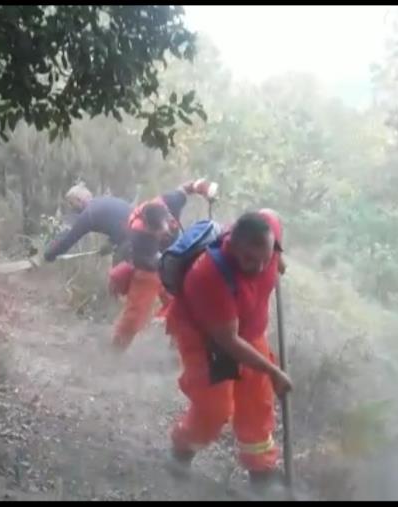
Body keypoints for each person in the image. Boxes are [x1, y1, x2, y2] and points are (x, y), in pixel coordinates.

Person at [165, 209, 291, 496]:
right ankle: (181, 450)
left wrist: (278, 257)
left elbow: (270, 216)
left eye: (266, 258)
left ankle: (262, 473)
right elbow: (229, 342)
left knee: (257, 403)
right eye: (249, 259)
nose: (259, 268)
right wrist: (274, 371)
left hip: (250, 331)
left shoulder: (266, 232)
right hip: (208, 337)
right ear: (233, 244)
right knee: (215, 410)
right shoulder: (207, 274)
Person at [111, 179, 216, 352]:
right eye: (159, 231)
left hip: (168, 259)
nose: (165, 232)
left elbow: (186, 187)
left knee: (181, 304)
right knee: (136, 314)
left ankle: (178, 346)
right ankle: (115, 350)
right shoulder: (139, 235)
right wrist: (171, 264)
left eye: (165, 227)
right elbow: (147, 262)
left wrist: (204, 188)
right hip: (147, 269)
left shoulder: (171, 201)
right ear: (148, 228)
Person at [43, 184, 133, 266]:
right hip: (139, 236)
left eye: (71, 203)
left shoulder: (89, 213)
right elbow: (122, 222)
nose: (71, 208)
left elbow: (68, 239)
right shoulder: (102, 202)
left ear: (79, 200)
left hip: (131, 242)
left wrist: (48, 255)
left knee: (118, 277)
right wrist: (112, 241)